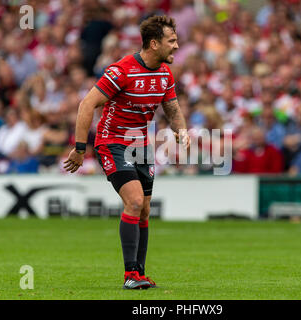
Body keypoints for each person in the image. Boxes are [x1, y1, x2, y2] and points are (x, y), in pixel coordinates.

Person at [63, 16, 190, 290]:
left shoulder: (165, 74)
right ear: (154, 44)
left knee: (144, 210)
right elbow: (87, 104)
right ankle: (130, 274)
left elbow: (172, 108)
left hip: (140, 145)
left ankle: (140, 274)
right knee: (133, 202)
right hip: (112, 143)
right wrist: (79, 147)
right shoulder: (122, 70)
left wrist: (181, 131)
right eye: (172, 41)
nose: (177, 46)